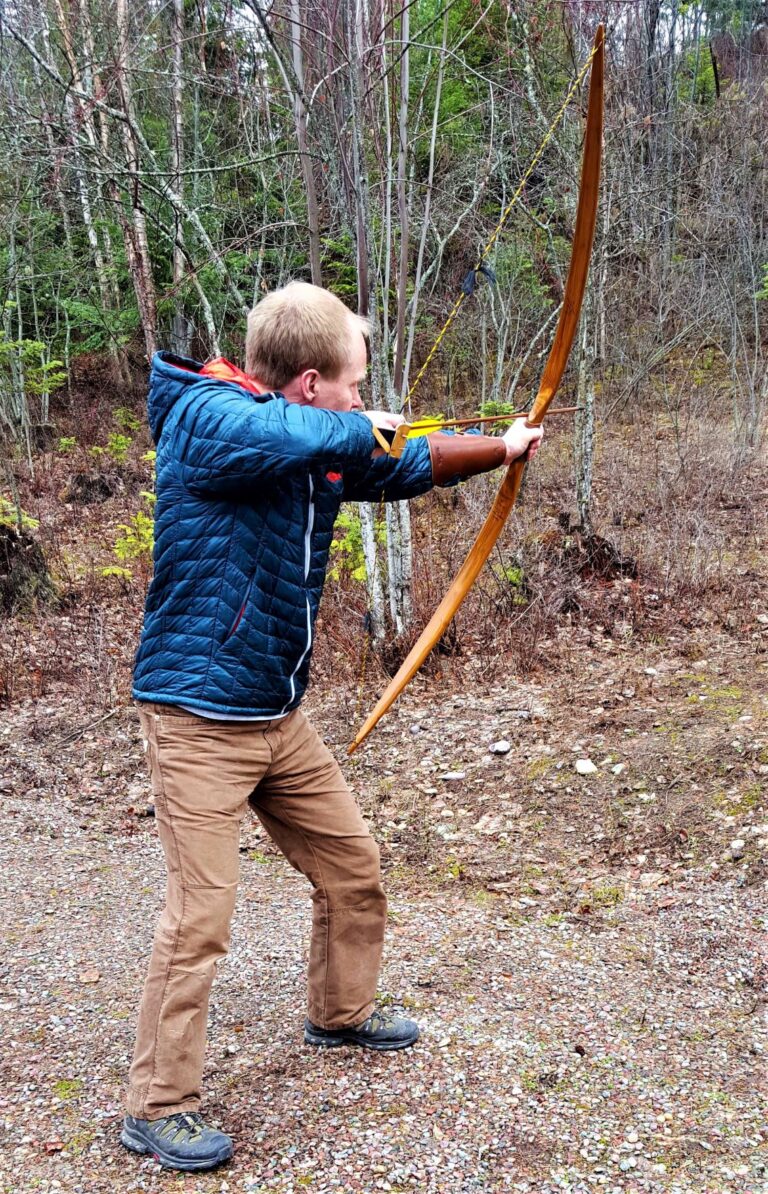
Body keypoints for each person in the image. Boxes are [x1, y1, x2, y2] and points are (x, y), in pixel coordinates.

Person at [121, 282, 543, 1172]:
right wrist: (369, 425)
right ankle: (157, 1105)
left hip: (276, 715)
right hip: (198, 719)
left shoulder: (314, 438)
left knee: (352, 866)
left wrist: (500, 448)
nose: (362, 397)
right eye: (352, 384)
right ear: (308, 384)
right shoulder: (208, 418)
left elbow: (399, 465)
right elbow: (312, 435)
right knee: (200, 917)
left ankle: (340, 1013)